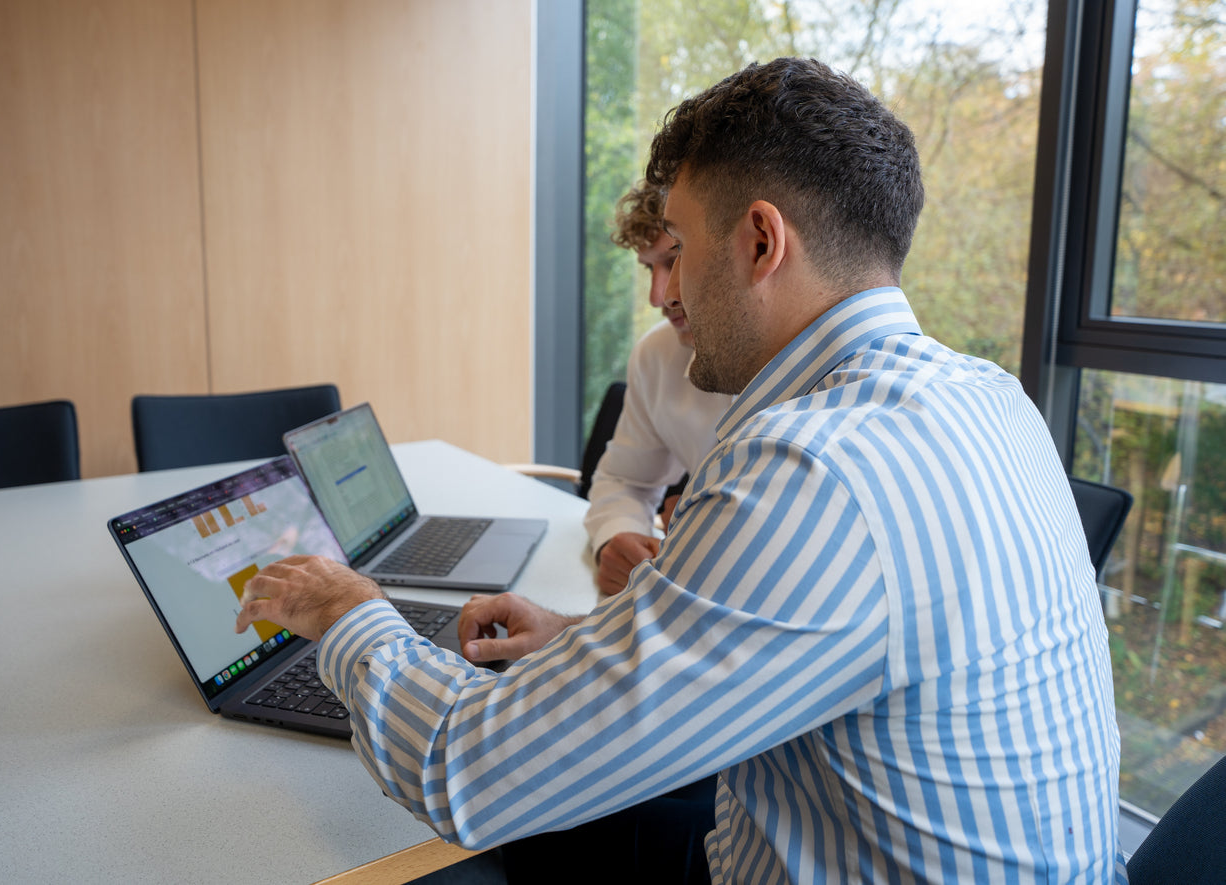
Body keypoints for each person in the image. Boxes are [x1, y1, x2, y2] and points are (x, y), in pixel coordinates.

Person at [237, 57, 1126, 882]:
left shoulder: (808, 466)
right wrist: (583, 645)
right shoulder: (991, 398)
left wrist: (346, 610)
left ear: (759, 242)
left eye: (681, 247)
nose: (668, 293)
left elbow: (465, 770)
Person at [587, 180, 734, 597]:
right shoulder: (656, 354)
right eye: (649, 269)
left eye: (675, 259)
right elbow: (625, 480)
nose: (658, 296)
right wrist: (617, 536)